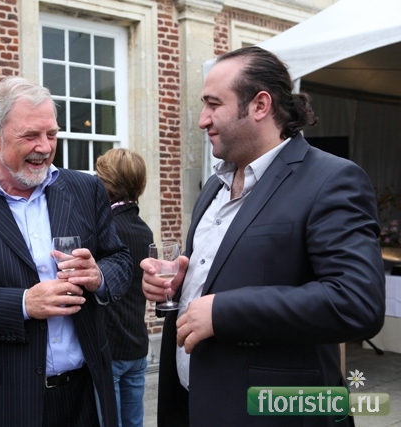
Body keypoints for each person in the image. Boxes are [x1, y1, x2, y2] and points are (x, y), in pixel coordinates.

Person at [141, 46, 385, 427]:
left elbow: (357, 302)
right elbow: (230, 270)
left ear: (260, 105)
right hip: (191, 405)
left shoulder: (332, 180)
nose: (202, 120)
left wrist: (223, 312)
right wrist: (179, 283)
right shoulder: (214, 187)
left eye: (213, 104)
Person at [0, 77, 132, 427]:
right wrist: (23, 304)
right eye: (30, 135)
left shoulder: (86, 189)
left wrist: (98, 276)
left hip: (86, 393)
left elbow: (121, 260)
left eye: (51, 134)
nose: (45, 147)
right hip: (5, 400)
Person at [95, 148, 154, 427]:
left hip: (111, 349)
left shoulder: (105, 228)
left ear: (107, 182)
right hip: (137, 345)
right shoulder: (144, 229)